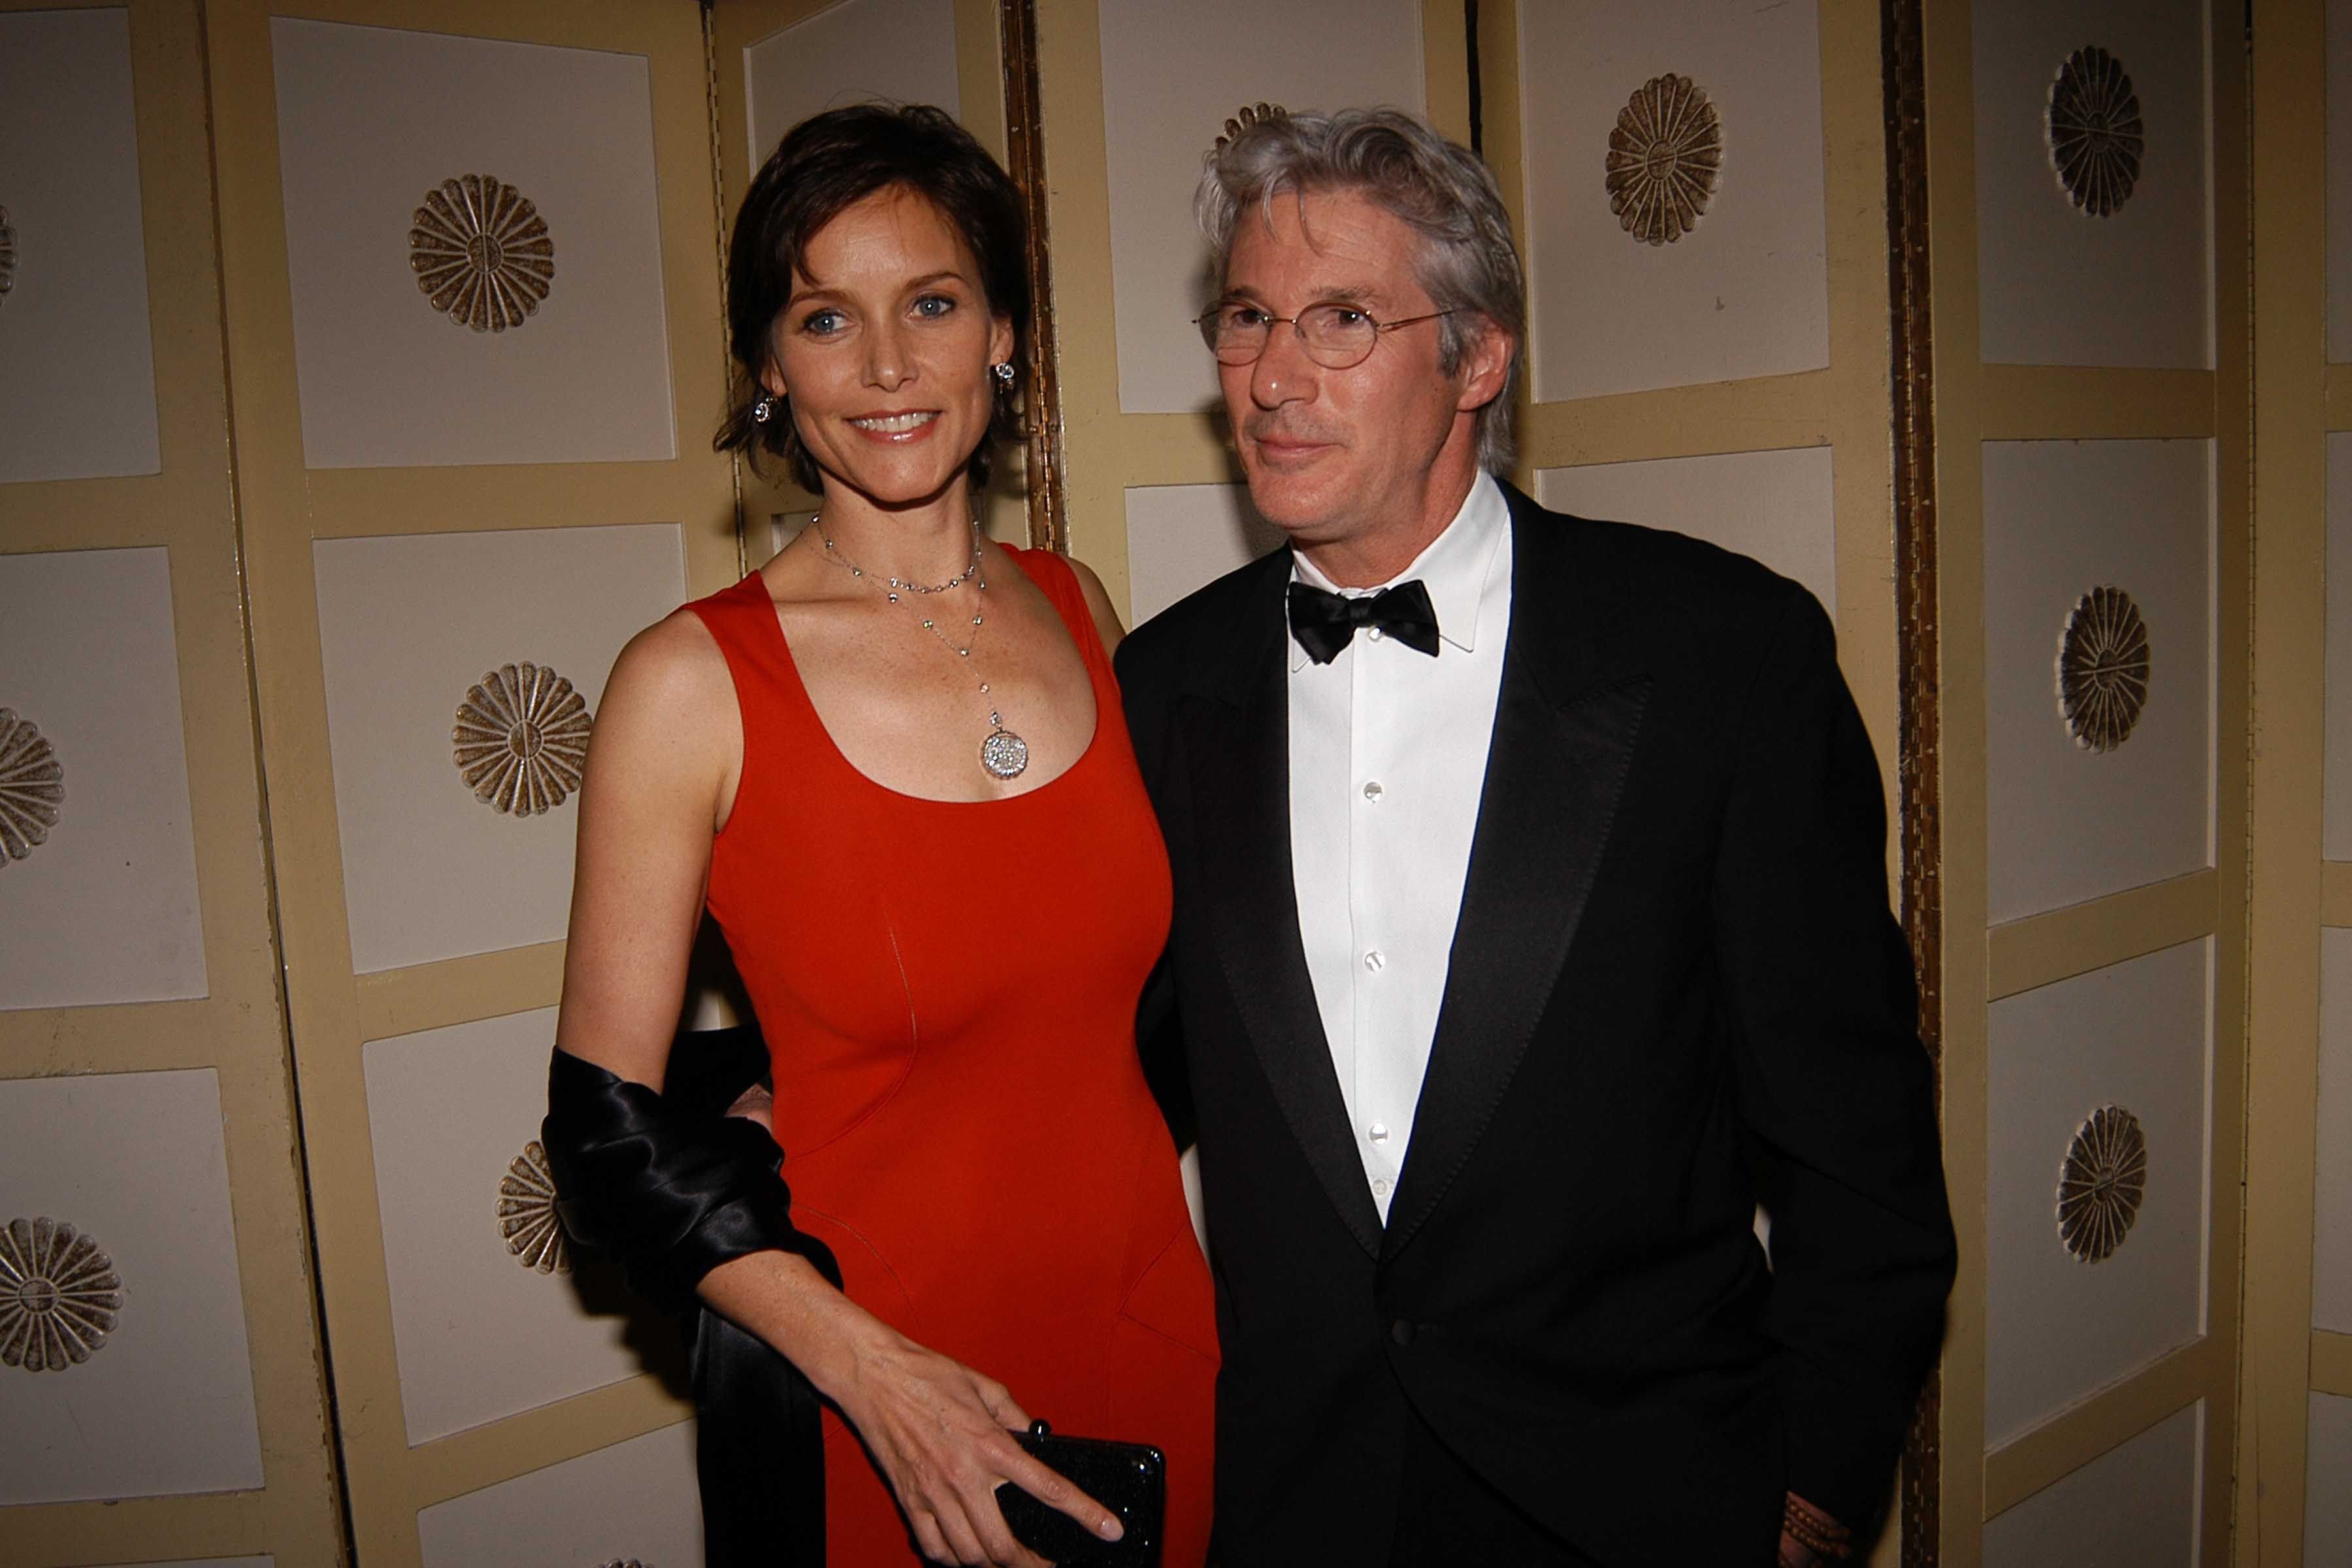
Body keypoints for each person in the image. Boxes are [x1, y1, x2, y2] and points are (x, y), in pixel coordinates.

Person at [1115, 107, 1955, 1567]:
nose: (1271, 376)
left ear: (1478, 358)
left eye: (1342, 319)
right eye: (1247, 317)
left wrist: (1814, 1509)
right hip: (1292, 1502)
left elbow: (1855, 1152)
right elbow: (1106, 1054)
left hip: (1642, 1504)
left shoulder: (1721, 658)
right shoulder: (1162, 685)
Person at [544, 104, 1216, 1567]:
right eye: (824, 318)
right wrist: (869, 1373)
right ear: (769, 372)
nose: (890, 367)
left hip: (1156, 1328)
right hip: (878, 1392)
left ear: (1003, 335)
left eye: (932, 302)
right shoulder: (688, 683)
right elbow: (602, 1139)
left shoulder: (1084, 607)